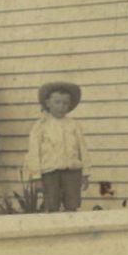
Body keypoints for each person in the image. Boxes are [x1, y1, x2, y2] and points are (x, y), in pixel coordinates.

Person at [26, 80, 89, 214]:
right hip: (50, 172)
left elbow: (83, 150)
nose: (61, 107)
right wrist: (36, 176)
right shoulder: (41, 125)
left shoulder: (74, 125)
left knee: (72, 205)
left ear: (70, 105)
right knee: (51, 205)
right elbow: (34, 153)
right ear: (48, 103)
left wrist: (85, 174)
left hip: (72, 172)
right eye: (57, 102)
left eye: (65, 103)